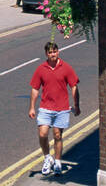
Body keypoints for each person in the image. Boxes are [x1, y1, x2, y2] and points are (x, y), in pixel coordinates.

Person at [29, 41, 80, 176]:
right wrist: (32, 108)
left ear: (58, 52)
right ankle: (47, 158)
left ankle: (57, 162)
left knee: (57, 135)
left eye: (55, 51)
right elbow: (35, 89)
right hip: (45, 107)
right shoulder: (41, 69)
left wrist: (77, 105)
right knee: (42, 133)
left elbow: (74, 86)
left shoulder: (66, 68)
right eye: (50, 52)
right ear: (46, 54)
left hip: (61, 108)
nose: (53, 54)